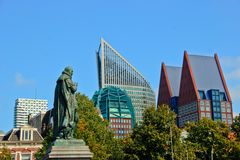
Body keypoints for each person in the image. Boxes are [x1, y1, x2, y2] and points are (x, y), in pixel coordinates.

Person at [53, 66, 78, 139]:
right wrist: (75, 86)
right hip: (68, 102)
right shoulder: (67, 79)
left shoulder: (60, 80)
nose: (72, 73)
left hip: (60, 105)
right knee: (69, 118)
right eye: (72, 71)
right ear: (68, 71)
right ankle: (67, 135)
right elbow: (73, 89)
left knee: (62, 118)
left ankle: (61, 133)